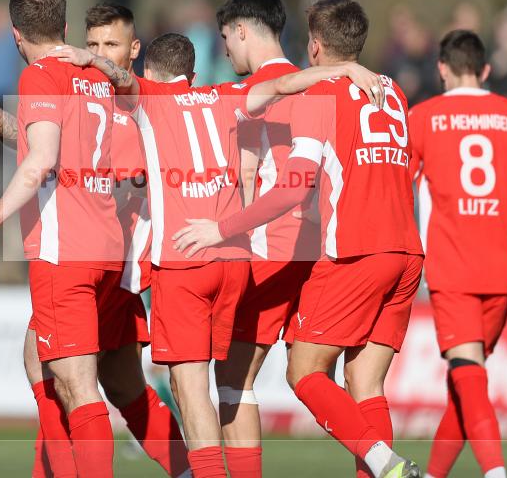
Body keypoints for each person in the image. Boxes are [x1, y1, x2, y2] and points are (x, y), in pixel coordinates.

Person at [49, 25, 383, 477]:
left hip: (183, 260)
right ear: (192, 72)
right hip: (233, 264)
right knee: (227, 385)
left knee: (190, 384)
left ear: (151, 70)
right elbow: (285, 84)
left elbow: (115, 74)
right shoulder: (225, 96)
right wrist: (344, 67)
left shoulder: (148, 97)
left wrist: (89, 59)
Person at [170, 0, 424, 478]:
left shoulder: (316, 95)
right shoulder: (391, 91)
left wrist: (221, 228)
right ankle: (385, 466)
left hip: (344, 248)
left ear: (315, 44)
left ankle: (385, 463)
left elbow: (292, 186)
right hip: (407, 249)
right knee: (365, 384)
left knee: (290, 375)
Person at [0, 1, 189, 477]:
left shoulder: (137, 107)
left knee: (63, 377)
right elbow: (36, 141)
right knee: (111, 383)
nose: (90, 54)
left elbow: (119, 182)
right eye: (90, 44)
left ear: (133, 50)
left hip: (101, 256)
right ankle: (190, 470)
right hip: (106, 255)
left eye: (108, 46)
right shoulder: (91, 90)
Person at [0, 0, 127, 477]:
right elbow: (43, 140)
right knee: (37, 361)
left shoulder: (39, 76)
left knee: (78, 386)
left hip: (65, 247)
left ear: (15, 35)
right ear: (67, 26)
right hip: (104, 243)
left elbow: (40, 162)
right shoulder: (90, 74)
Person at [408, 30, 507, 478]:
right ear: (486, 70)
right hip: (502, 265)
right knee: (466, 380)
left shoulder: (423, 116)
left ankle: (495, 473)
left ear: (441, 68)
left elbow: (403, 188)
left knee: (467, 375)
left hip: (451, 263)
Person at [209, 0, 320, 476]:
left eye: (226, 40)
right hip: (324, 251)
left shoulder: (253, 93)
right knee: (329, 380)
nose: (226, 51)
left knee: (232, 377)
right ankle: (381, 460)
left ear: (241, 30)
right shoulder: (313, 84)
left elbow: (247, 181)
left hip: (274, 246)